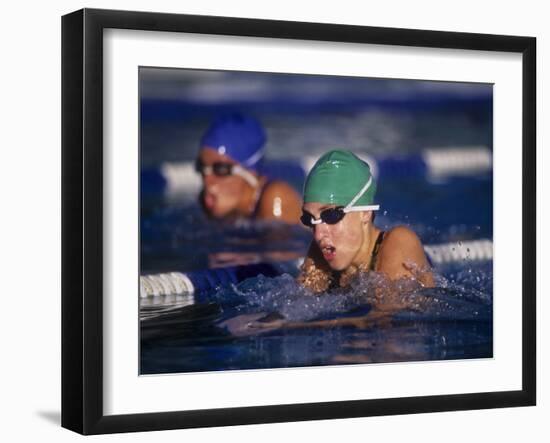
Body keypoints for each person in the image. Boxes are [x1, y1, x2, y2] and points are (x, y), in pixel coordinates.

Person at [297, 149, 434, 293]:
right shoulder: (322, 251)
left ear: (365, 213)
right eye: (309, 219)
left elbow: (386, 314)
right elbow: (294, 306)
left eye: (330, 215)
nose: (318, 234)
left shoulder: (400, 242)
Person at [195, 113, 302, 224]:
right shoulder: (207, 203)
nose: (208, 183)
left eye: (220, 169)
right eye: (201, 167)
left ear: (250, 171)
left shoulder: (275, 197)